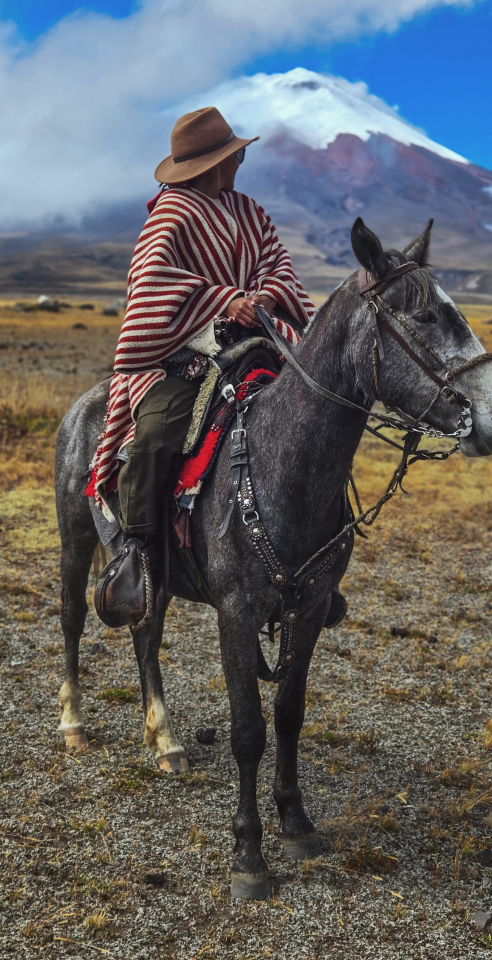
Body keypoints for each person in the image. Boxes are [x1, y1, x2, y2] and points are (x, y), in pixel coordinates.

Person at [91, 106, 316, 621]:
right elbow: (152, 285)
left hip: (252, 341)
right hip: (180, 356)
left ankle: (314, 554)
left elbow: (277, 264)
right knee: (155, 436)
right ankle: (136, 551)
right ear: (212, 164)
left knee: (310, 415)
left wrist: (262, 297)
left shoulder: (249, 211)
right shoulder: (170, 215)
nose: (239, 162)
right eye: (233, 156)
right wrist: (220, 301)